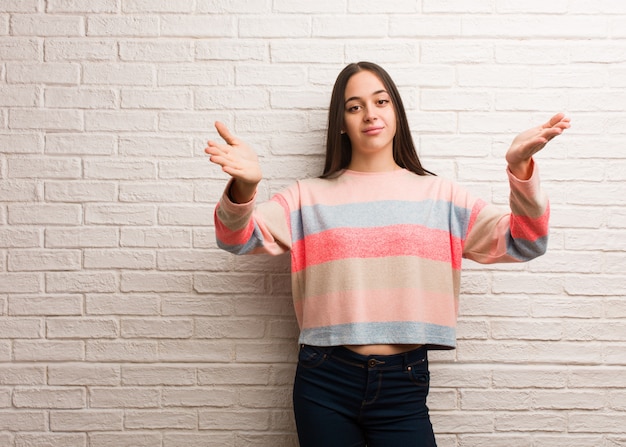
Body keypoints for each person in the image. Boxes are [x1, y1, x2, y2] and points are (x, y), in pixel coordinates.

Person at [205, 61, 570, 447]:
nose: (370, 114)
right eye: (354, 106)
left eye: (380, 101)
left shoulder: (442, 196)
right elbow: (236, 238)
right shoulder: (305, 196)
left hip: (405, 382)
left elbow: (527, 241)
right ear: (341, 123)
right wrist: (244, 188)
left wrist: (521, 170)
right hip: (324, 379)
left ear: (396, 111)